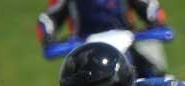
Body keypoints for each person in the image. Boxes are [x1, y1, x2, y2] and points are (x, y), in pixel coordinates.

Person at [36, 0, 167, 76]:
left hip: (126, 42)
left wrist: (156, 22)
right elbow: (48, 18)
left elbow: (150, 7)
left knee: (153, 75)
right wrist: (48, 38)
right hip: (86, 48)